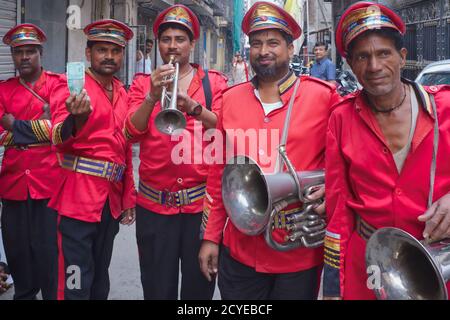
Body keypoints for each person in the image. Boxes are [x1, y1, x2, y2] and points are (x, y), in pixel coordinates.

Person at [198, 1, 340, 300]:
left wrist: (328, 187)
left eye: (273, 43)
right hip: (239, 251)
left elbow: (342, 165)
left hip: (297, 253)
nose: (264, 50)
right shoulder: (230, 99)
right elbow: (218, 176)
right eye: (257, 43)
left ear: (290, 49)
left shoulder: (322, 97)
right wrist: (210, 237)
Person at [323, 1, 450, 300]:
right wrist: (332, 287)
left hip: (437, 262)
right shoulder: (341, 118)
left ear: (402, 57)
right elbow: (337, 210)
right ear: (352, 65)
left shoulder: (445, 107)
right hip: (368, 267)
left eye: (384, 54)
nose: (374, 66)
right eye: (363, 57)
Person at [124, 4, 228, 300]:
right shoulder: (143, 83)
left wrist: (195, 109)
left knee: (199, 293)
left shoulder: (214, 83)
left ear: (192, 44)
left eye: (180, 39)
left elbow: (225, 130)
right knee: (157, 290)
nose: (172, 46)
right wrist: (151, 98)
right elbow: (130, 133)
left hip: (200, 209)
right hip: (154, 208)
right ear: (158, 43)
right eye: (166, 39)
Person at [48, 19, 137, 300]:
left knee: (100, 278)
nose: (109, 56)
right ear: (88, 54)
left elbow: (124, 150)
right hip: (77, 201)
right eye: (101, 50)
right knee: (75, 280)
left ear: (122, 54)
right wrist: (77, 118)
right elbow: (58, 134)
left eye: (115, 50)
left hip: (109, 203)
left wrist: (127, 198)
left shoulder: (123, 93)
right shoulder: (70, 85)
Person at [0, 24, 68, 300]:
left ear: (41, 53)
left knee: (50, 255)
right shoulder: (4, 90)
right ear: (13, 56)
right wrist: (42, 127)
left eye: (30, 51)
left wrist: (15, 126)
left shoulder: (57, 85)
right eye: (18, 52)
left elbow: (61, 130)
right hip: (13, 184)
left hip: (49, 184)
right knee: (18, 255)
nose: (24, 57)